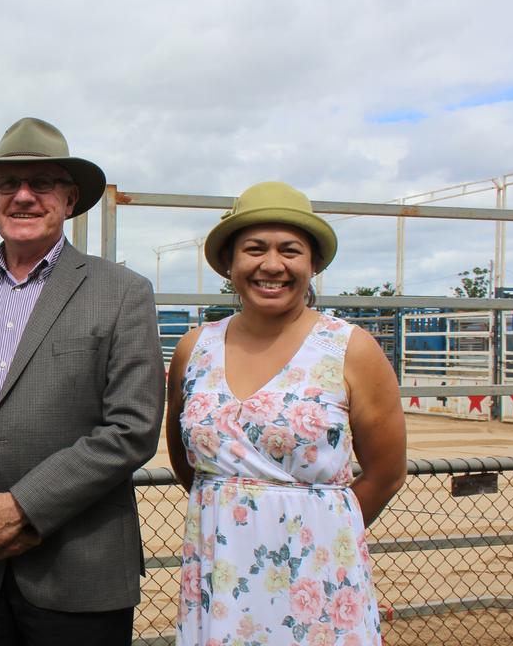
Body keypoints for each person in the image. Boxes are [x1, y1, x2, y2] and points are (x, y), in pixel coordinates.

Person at [0, 117, 166, 645]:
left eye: (41, 183)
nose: (23, 196)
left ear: (69, 199)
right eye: (7, 185)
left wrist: (21, 507)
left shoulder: (122, 293)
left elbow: (132, 427)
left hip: (80, 570)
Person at [165, 181, 407, 644]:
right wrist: (236, 508)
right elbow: (188, 460)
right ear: (230, 265)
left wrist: (322, 527)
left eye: (290, 251)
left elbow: (387, 473)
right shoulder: (195, 349)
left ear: (312, 264)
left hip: (317, 574)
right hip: (221, 570)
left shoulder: (349, 349)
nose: (272, 265)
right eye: (254, 249)